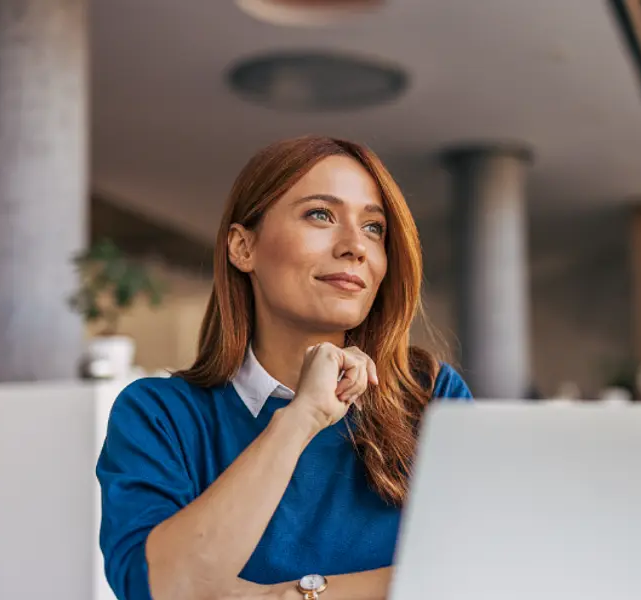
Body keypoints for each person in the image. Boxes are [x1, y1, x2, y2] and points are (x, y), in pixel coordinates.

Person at [96, 136, 473, 600]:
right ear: (242, 247)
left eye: (375, 228)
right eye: (321, 214)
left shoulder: (429, 395)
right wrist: (300, 419)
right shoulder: (160, 414)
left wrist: (290, 597)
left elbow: (476, 570)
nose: (356, 246)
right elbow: (164, 589)